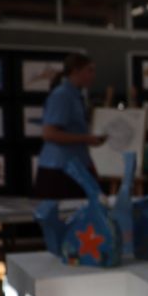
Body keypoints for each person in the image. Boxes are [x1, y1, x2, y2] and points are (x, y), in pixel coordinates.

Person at [33, 53, 105, 199]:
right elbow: (49, 134)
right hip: (59, 169)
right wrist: (86, 139)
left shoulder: (76, 96)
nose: (93, 76)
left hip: (75, 165)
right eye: (89, 70)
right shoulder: (62, 95)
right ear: (75, 71)